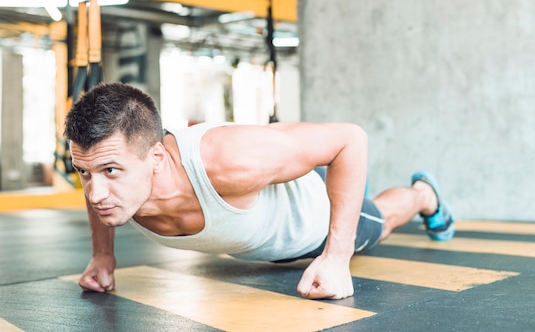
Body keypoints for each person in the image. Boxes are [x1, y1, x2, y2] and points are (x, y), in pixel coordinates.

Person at [64, 82, 455, 300]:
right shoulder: (112, 178)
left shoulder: (228, 159)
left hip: (310, 218)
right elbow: (98, 178)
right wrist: (102, 255)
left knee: (380, 222)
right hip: (258, 238)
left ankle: (424, 195)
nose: (96, 192)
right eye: (84, 172)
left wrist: (337, 257)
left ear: (157, 158)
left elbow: (349, 139)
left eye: (110, 170)